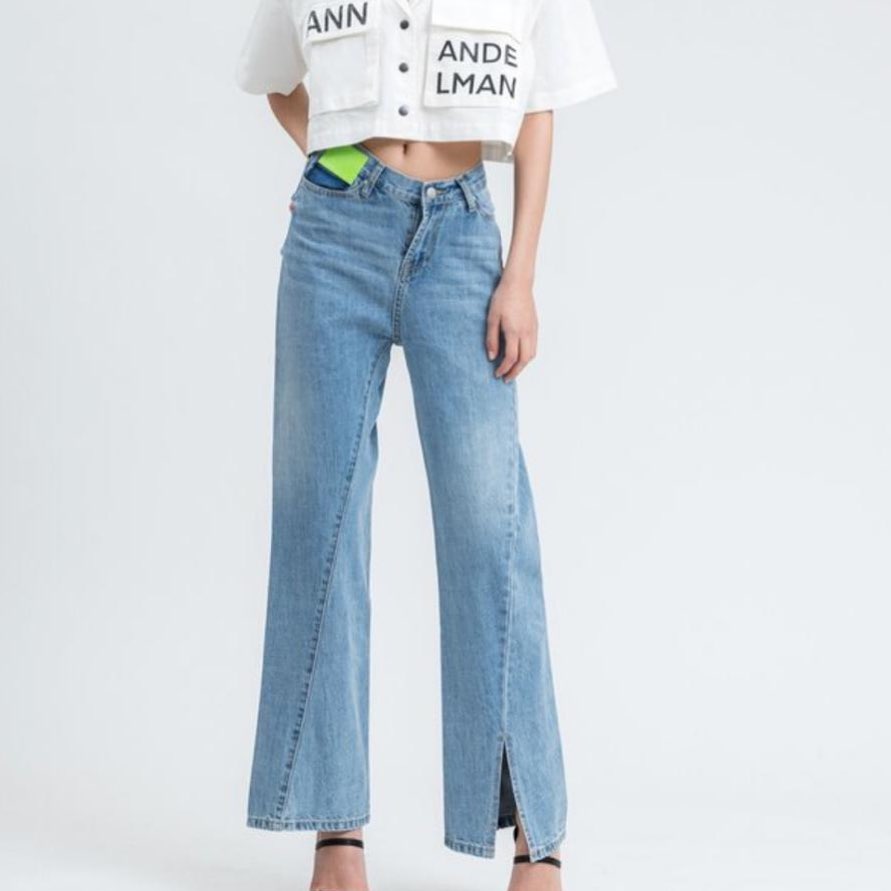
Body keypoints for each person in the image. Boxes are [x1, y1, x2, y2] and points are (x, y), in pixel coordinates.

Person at [234, 1, 616, 888]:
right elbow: (278, 83)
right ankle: (336, 835)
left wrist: (520, 274)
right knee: (319, 524)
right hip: (331, 239)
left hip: (464, 241)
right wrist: (336, 165)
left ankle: (538, 842)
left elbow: (537, 109)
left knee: (491, 531)